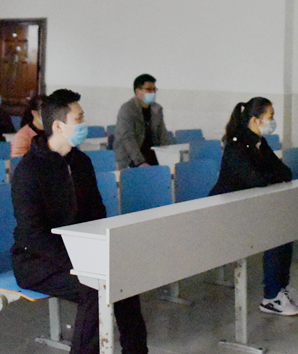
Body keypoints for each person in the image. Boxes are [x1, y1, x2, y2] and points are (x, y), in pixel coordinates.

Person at [11, 89, 147, 354]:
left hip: (80, 253)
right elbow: (33, 236)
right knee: (95, 288)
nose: (84, 124)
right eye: (79, 118)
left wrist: (99, 253)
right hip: (36, 261)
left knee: (124, 276)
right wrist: (81, 263)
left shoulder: (81, 162)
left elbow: (96, 214)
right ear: (58, 126)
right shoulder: (29, 171)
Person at [210, 97, 298, 316]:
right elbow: (256, 179)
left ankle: (281, 286)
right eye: (270, 117)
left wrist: (268, 176)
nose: (272, 122)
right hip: (226, 209)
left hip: (248, 204)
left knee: (286, 227)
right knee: (274, 230)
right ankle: (271, 297)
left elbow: (285, 172)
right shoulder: (236, 145)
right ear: (255, 120)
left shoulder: (259, 142)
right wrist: (269, 176)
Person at [114, 74, 175, 169]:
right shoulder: (127, 109)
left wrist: (169, 155)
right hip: (130, 157)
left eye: (154, 89)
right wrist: (140, 162)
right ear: (137, 91)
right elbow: (128, 139)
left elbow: (163, 134)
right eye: (148, 90)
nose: (153, 92)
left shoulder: (156, 109)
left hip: (152, 153)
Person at [10, 94, 45, 158]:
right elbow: (18, 161)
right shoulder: (22, 136)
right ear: (34, 113)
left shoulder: (54, 132)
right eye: (45, 111)